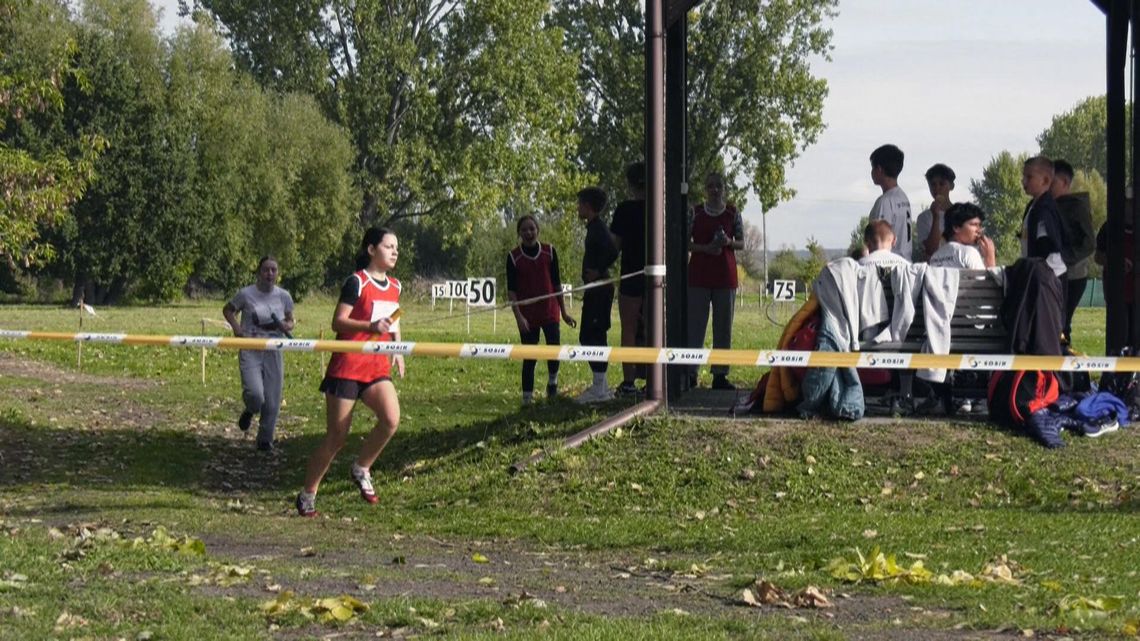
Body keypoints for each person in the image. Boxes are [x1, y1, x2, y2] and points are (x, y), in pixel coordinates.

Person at [296, 227, 404, 517]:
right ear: (371, 249)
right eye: (389, 246)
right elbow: (338, 322)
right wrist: (370, 327)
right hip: (348, 366)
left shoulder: (396, 285)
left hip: (377, 368)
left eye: (397, 247)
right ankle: (308, 494)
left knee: (391, 419)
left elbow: (393, 318)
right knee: (336, 437)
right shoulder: (356, 282)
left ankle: (362, 467)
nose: (395, 251)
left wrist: (398, 348)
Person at [222, 256, 295, 452]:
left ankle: (265, 440)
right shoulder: (246, 294)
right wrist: (237, 329)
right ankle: (250, 409)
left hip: (274, 350)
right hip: (251, 349)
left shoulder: (284, 296)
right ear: (259, 272)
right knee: (256, 394)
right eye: (266, 270)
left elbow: (290, 321)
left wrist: (285, 325)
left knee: (272, 400)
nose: (270, 274)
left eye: (273, 270)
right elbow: (228, 310)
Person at [506, 215, 576, 404]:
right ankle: (527, 400)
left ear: (538, 230)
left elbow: (557, 284)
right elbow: (511, 292)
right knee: (529, 357)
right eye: (524, 230)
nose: (529, 233)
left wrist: (564, 312)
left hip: (549, 311)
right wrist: (519, 317)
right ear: (519, 233)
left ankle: (552, 384)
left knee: (553, 350)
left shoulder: (549, 252)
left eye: (532, 229)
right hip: (528, 315)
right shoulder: (514, 257)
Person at [687, 171, 744, 390]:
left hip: (725, 277)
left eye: (718, 186)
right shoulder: (696, 212)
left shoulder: (732, 212)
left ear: (724, 188)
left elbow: (741, 243)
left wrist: (728, 241)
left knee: (723, 328)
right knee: (695, 327)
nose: (715, 190)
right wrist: (705, 248)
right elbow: (686, 242)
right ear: (705, 189)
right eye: (710, 186)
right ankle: (691, 371)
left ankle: (720, 374)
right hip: (699, 276)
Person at [574, 186, 619, 403]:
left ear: (588, 206)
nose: (577, 207)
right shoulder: (592, 227)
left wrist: (599, 271)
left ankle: (599, 389)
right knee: (592, 335)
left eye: (580, 203)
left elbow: (613, 250)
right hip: (595, 290)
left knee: (591, 335)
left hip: (600, 290)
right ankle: (601, 384)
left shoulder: (598, 228)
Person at [609, 162, 647, 396]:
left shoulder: (623, 210)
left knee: (629, 329)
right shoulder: (659, 208)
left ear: (630, 184)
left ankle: (629, 381)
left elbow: (615, 246)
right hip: (655, 278)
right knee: (655, 329)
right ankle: (655, 380)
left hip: (630, 275)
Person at [1051, 159, 1095, 343]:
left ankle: (1067, 368)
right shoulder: (1045, 206)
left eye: (1051, 181)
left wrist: (1063, 260)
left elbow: (1089, 243)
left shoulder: (1076, 207)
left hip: (1072, 276)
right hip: (1054, 274)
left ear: (1064, 183)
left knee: (1061, 323)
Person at [1021, 156, 1068, 278]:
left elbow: (1048, 249)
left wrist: (1039, 276)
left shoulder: (1044, 210)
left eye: (1029, 177)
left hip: (1047, 280)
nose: (1023, 181)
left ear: (1045, 180)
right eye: (1023, 177)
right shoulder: (1033, 207)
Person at [868, 144, 913, 259]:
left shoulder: (885, 202)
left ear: (879, 169)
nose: (871, 172)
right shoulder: (903, 197)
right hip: (905, 261)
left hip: (890, 265)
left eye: (873, 168)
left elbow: (879, 240)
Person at [928, 203, 997, 269]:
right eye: (974, 224)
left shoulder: (934, 257)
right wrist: (990, 257)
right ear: (956, 227)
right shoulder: (969, 253)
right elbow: (986, 281)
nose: (979, 230)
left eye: (980, 225)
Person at [913, 164, 956, 262]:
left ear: (951, 186)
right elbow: (931, 250)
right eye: (933, 185)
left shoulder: (961, 214)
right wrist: (936, 216)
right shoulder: (924, 218)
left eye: (942, 184)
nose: (937, 188)